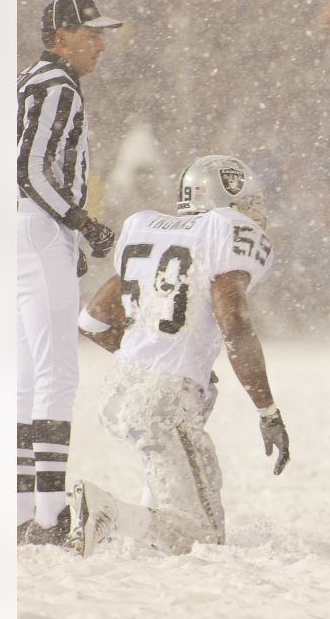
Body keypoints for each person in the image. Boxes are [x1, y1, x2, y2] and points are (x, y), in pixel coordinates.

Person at [68, 155, 290, 556]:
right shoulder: (226, 230)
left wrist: (148, 358)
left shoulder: (147, 227)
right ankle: (110, 513)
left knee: (172, 479)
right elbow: (235, 325)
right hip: (164, 399)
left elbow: (92, 319)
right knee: (202, 539)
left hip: (119, 389)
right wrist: (267, 410)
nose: (256, 211)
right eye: (250, 201)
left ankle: (137, 525)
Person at [16, 0, 122, 544]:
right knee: (57, 372)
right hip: (37, 227)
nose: (101, 44)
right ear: (61, 35)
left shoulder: (30, 80)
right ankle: (50, 517)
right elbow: (30, 170)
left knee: (27, 376)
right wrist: (81, 222)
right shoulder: (57, 86)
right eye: (91, 33)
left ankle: (22, 511)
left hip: (20, 230)